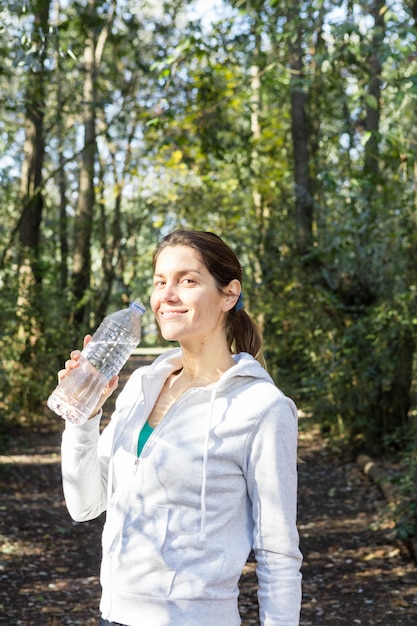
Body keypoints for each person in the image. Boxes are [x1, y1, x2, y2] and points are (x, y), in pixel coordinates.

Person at [60, 229, 302, 626]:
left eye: (187, 281)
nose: (167, 295)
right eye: (160, 282)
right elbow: (85, 505)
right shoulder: (140, 386)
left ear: (229, 294)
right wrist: (84, 418)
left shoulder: (262, 408)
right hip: (112, 615)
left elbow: (278, 552)